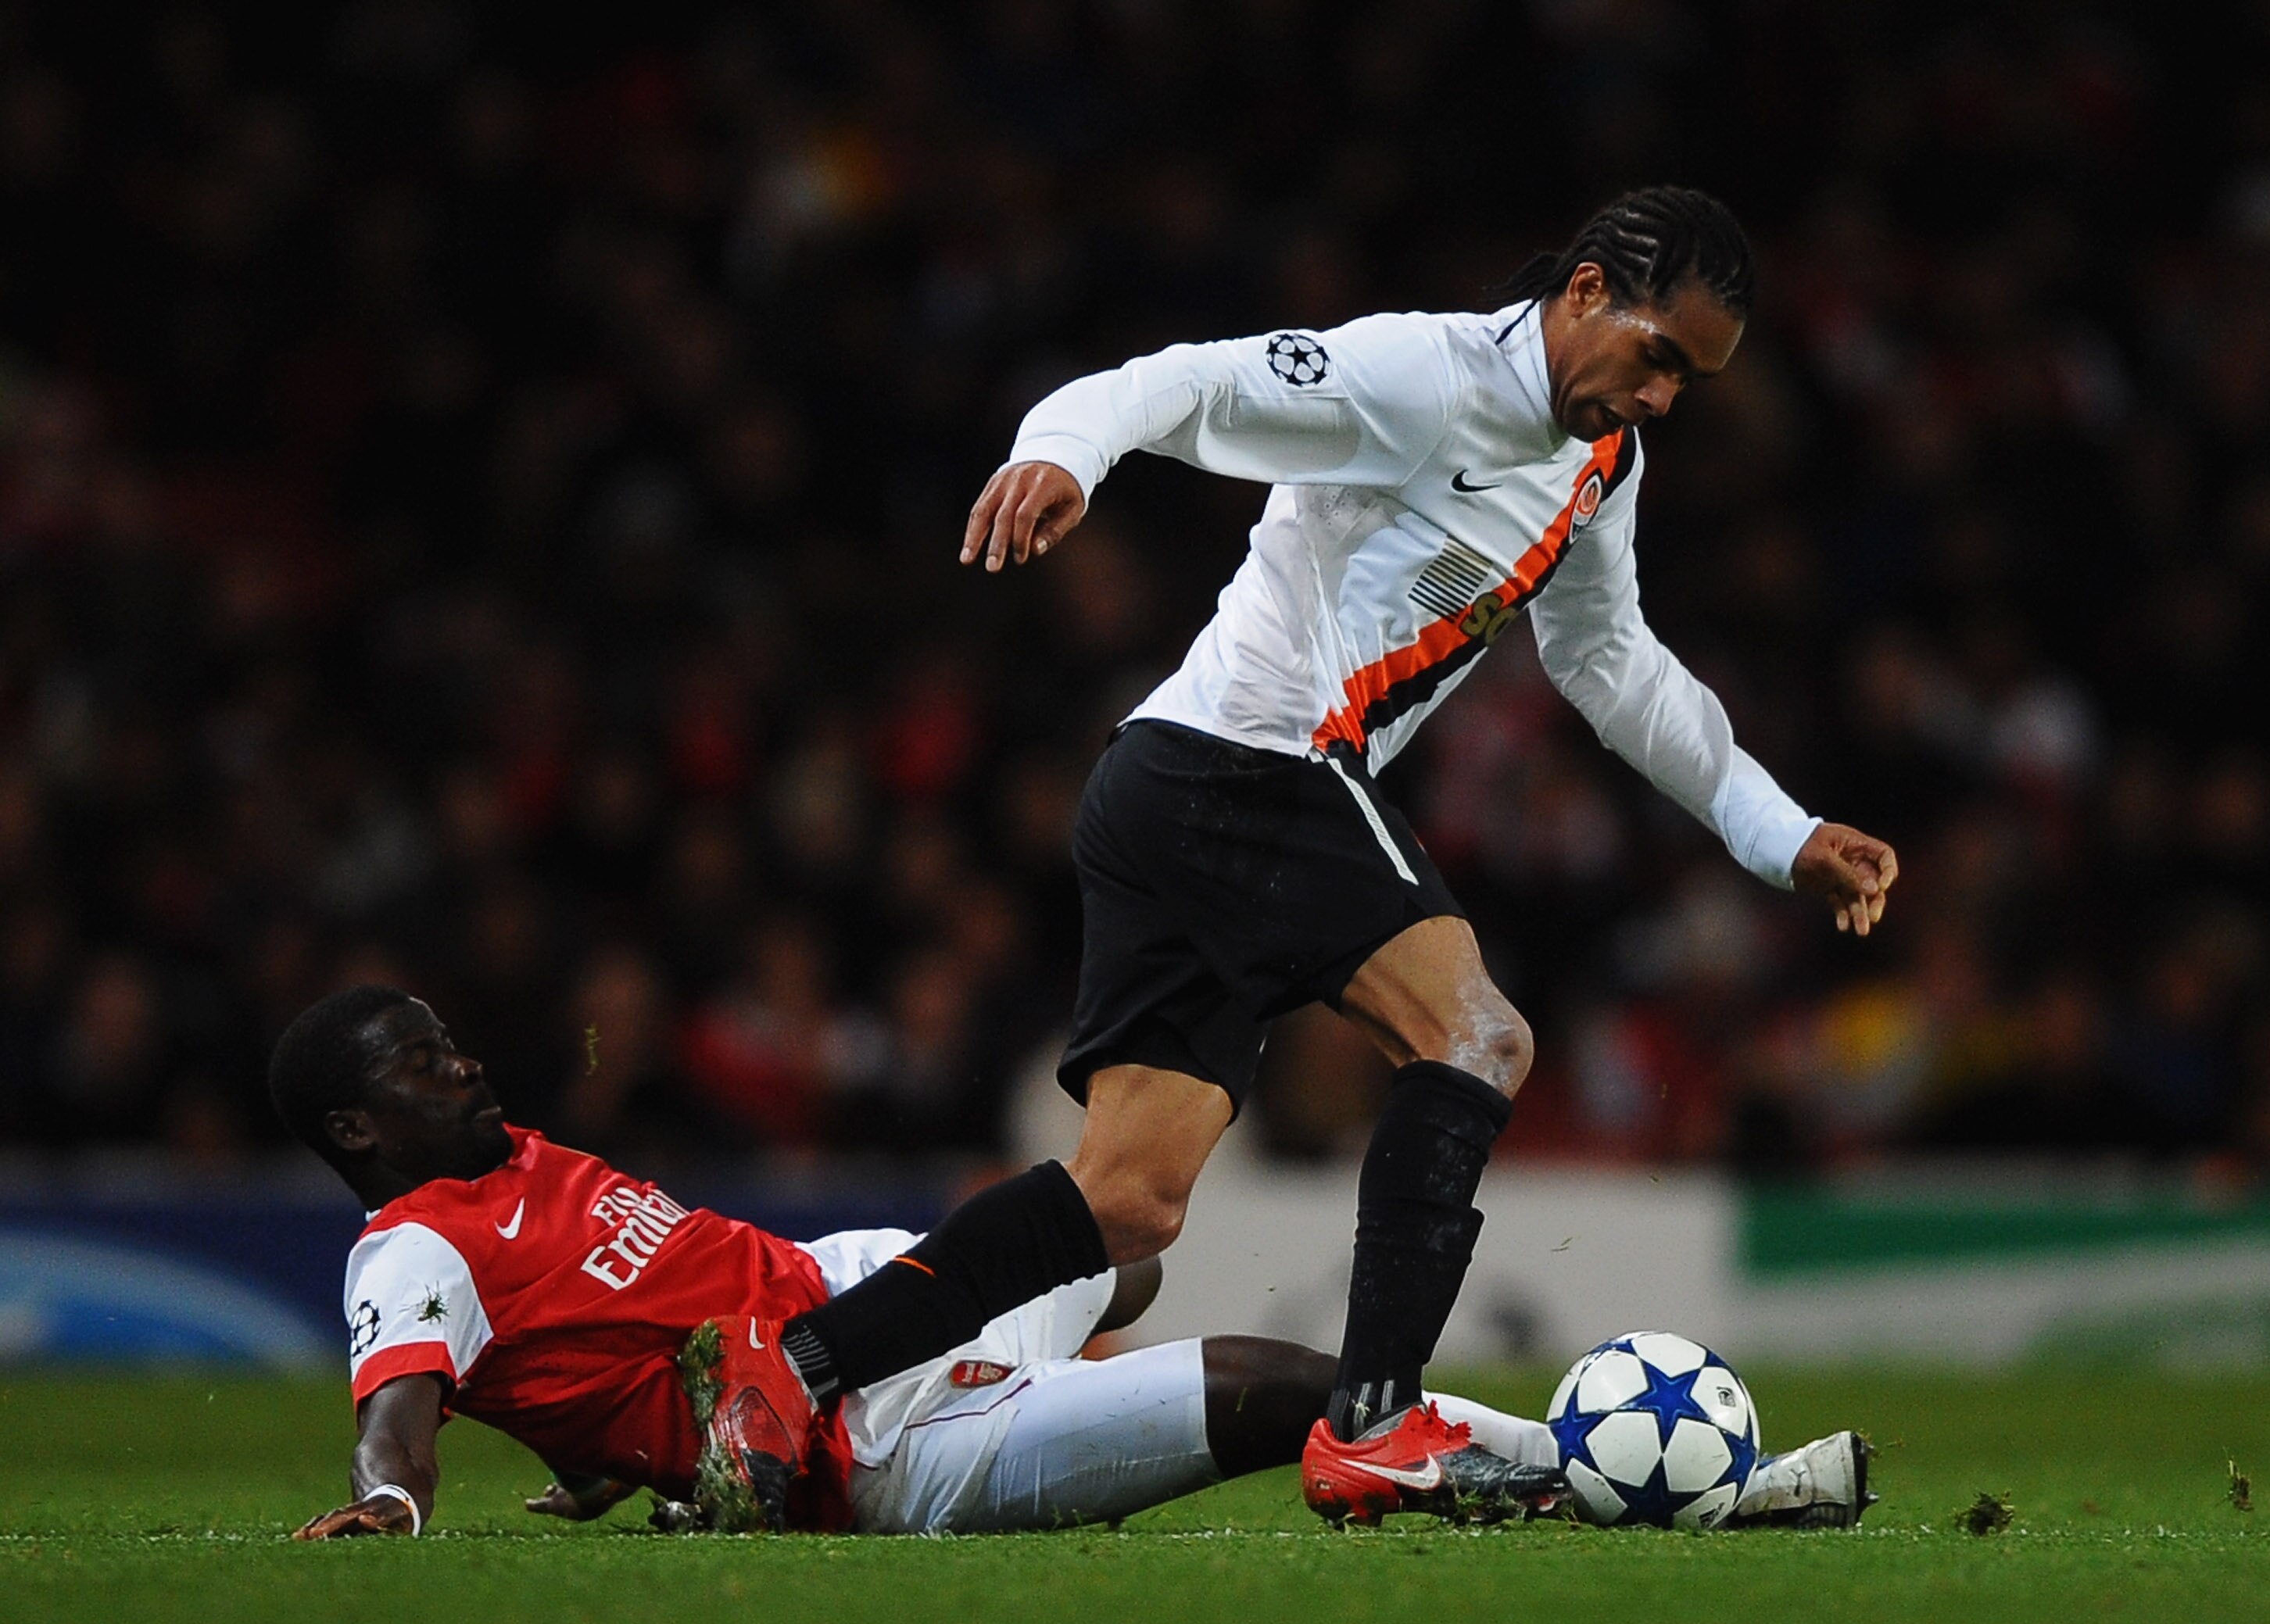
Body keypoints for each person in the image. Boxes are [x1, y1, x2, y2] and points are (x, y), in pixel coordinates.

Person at [720, 185, 1901, 1527]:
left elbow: (1611, 663)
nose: (1667, 398)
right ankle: (1378, 1422)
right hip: (1241, 764)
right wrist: (1067, 452)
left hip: (1182, 787)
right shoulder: (1422, 377)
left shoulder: (1598, 465)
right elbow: (1188, 384)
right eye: (1659, 356)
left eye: (1694, 380)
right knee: (1479, 1037)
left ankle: (794, 1361)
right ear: (1583, 293)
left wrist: (1779, 827)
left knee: (1129, 1206)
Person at [279, 985, 1871, 1538]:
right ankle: (1671, 1485)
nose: (462, 1059)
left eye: (445, 1038)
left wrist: (611, 1449)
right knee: (1289, 1392)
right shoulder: (412, 1242)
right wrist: (394, 1501)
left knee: (1121, 1242)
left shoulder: (518, 1168)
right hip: (858, 1438)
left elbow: (597, 1334)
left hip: (840, 1294)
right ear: (358, 1126)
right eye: (418, 1062)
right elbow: (401, 1396)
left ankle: (1067, 1394)